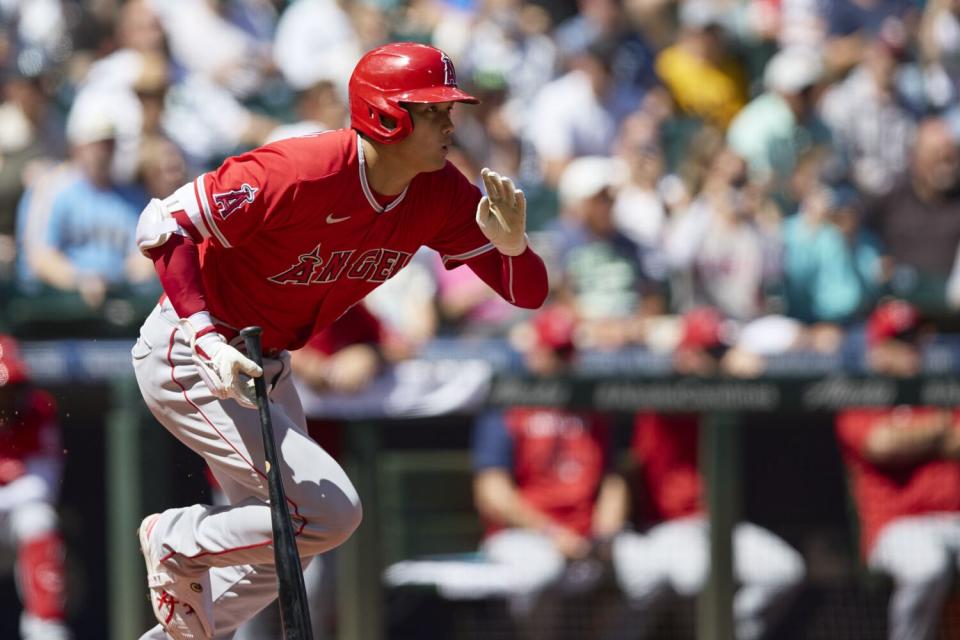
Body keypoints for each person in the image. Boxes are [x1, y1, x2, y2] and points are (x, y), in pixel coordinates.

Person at [130, 42, 548, 640]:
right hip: (193, 350)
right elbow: (163, 224)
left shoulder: (437, 190)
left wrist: (513, 248)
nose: (451, 122)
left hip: (264, 364)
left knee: (293, 545)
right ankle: (175, 541)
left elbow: (527, 293)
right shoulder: (302, 169)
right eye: (435, 110)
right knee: (329, 513)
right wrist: (202, 335)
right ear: (387, 115)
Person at [836, 299, 960, 640]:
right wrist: (940, 429)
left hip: (952, 519)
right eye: (901, 340)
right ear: (878, 348)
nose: (911, 349)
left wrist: (915, 437)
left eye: (915, 339)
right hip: (895, 526)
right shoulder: (862, 394)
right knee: (927, 565)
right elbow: (882, 445)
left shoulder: (938, 390)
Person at [0, 335, 71, 639]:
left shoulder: (39, 408)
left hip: (11, 518)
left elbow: (43, 485)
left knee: (38, 518)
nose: (6, 396)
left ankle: (46, 628)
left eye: (10, 387)